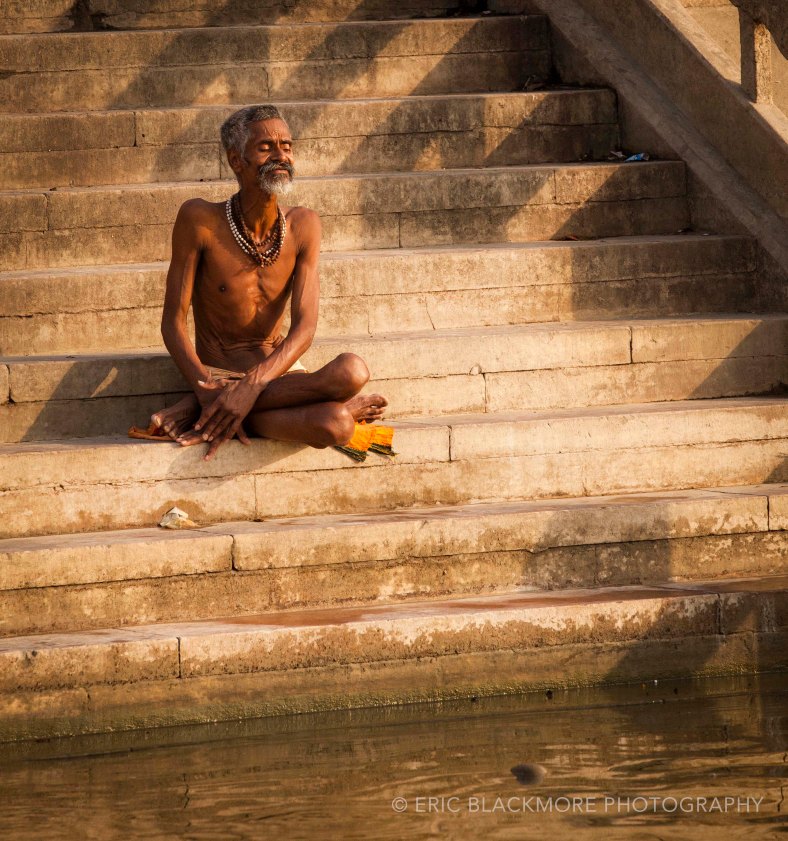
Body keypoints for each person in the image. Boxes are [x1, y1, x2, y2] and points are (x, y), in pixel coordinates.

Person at [148, 104, 387, 461]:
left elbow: (305, 328)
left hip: (279, 372)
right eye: (266, 147)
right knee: (338, 421)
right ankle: (221, 405)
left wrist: (250, 387)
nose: (281, 155)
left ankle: (222, 408)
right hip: (217, 371)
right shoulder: (199, 219)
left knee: (353, 371)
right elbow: (172, 324)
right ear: (236, 160)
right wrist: (205, 390)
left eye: (287, 146)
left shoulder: (304, 224)